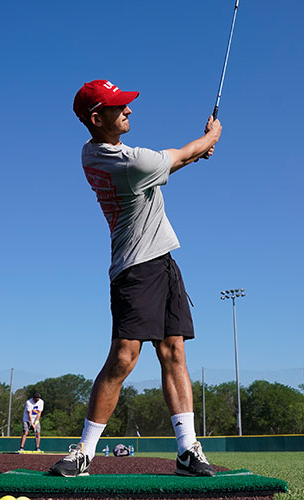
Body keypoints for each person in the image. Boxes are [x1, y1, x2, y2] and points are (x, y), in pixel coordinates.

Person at [50, 80, 222, 478]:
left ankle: (187, 450)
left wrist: (193, 154)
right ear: (97, 118)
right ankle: (84, 452)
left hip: (162, 261)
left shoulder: (95, 152)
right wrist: (210, 137)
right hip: (135, 268)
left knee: (174, 351)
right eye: (118, 106)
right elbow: (180, 156)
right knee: (124, 357)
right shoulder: (129, 163)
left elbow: (180, 160)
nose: (128, 111)